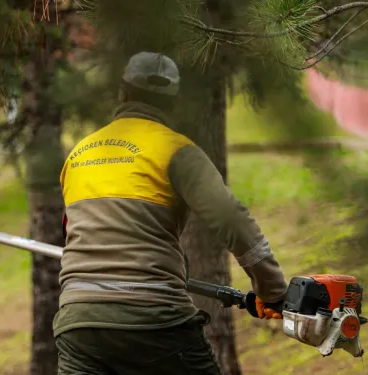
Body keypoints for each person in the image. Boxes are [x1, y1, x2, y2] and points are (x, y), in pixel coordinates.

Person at [54, 51, 288, 375]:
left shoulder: (79, 154)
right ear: (173, 103)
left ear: (122, 92)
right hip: (154, 320)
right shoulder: (177, 150)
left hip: (77, 323)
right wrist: (273, 290)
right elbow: (231, 221)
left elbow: (71, 231)